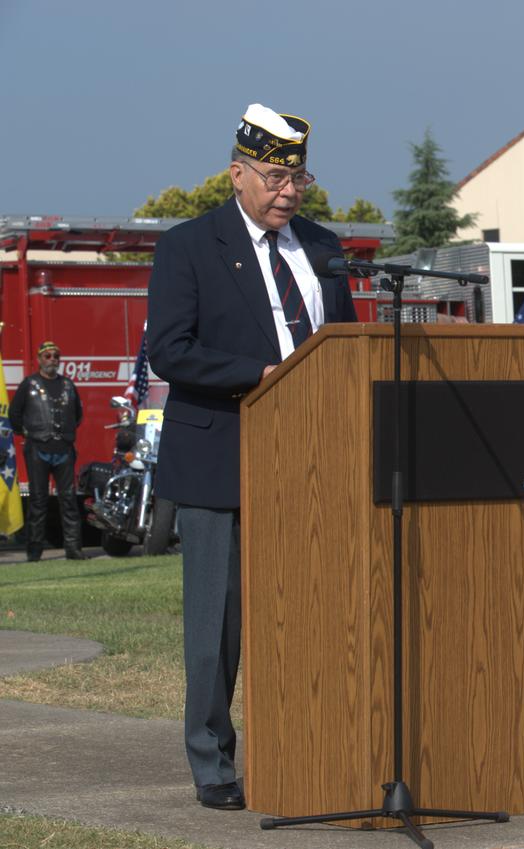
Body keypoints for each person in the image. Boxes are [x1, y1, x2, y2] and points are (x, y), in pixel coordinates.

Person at [146, 104, 357, 811]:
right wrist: (258, 376)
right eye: (274, 176)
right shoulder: (189, 246)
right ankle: (212, 761)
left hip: (317, 461)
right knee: (219, 627)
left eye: (299, 176)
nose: (288, 191)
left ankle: (312, 743)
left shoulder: (324, 248)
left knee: (318, 613)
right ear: (237, 174)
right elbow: (170, 351)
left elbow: (346, 347)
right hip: (222, 458)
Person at [10, 341, 85, 561]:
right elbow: (15, 413)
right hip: (37, 449)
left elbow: (78, 415)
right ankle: (34, 552)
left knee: (69, 499)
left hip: (64, 449)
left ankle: (73, 549)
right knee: (38, 500)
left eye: (55, 356)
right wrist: (27, 433)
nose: (52, 360)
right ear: (39, 359)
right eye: (48, 356)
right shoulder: (29, 384)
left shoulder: (68, 385)